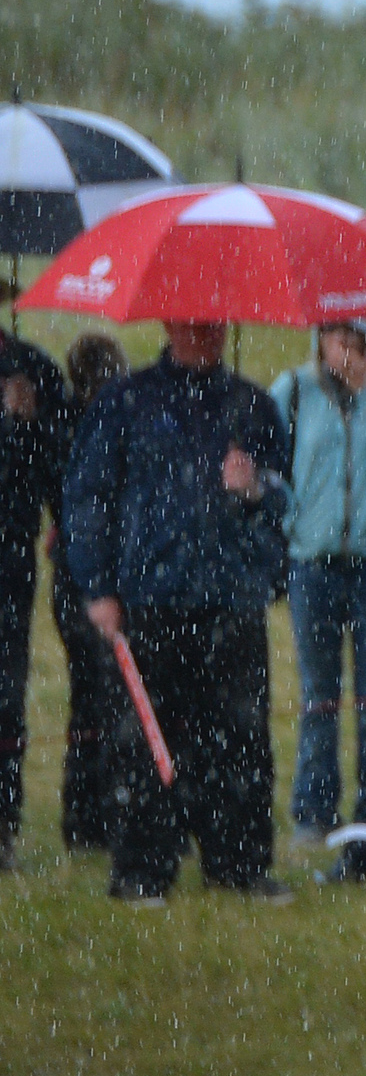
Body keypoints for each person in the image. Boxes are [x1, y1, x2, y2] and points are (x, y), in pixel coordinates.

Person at [60, 319, 294, 905]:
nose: (204, 333)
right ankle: (141, 871)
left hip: (232, 601)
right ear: (168, 324)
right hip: (149, 601)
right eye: (191, 323)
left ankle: (238, 865)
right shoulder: (124, 402)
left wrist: (253, 489)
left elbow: (286, 502)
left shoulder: (255, 406)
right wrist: (97, 588)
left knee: (240, 737)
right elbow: (88, 497)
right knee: (144, 742)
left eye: (214, 323)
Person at [267, 319, 366, 837]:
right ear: (319, 339)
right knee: (319, 693)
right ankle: (313, 811)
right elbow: (272, 468)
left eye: (360, 339)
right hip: (313, 565)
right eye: (339, 337)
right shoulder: (293, 391)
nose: (349, 349)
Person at [49, 334, 130, 855]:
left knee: (93, 697)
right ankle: (97, 814)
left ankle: (88, 816)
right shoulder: (98, 425)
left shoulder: (63, 423)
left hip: (77, 574)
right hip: (96, 575)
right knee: (107, 695)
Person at [0, 322, 68, 868]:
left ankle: (2, 826)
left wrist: (33, 420)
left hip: (9, 553)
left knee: (6, 689)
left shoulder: (34, 368)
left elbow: (60, 470)